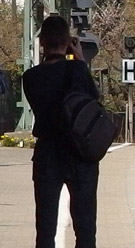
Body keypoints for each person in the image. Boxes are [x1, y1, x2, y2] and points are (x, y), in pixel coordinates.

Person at [22, 15, 100, 248]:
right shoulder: (77, 70)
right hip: (80, 154)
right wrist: (80, 61)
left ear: (42, 42)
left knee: (45, 228)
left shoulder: (30, 77)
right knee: (85, 228)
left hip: (47, 155)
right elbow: (94, 100)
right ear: (68, 41)